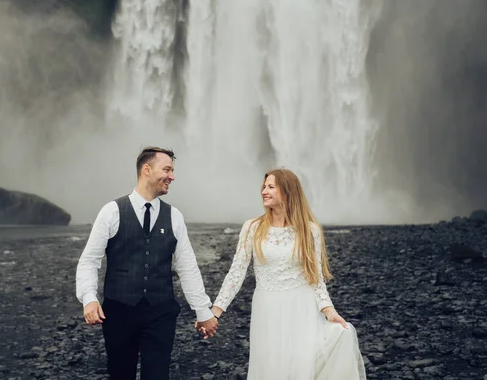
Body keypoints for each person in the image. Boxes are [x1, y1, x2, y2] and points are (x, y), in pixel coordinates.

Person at [205, 168, 366, 379]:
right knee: (270, 365)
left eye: (271, 187)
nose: (264, 191)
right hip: (267, 307)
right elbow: (236, 272)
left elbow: (315, 278)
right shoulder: (252, 227)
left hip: (302, 307)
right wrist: (214, 312)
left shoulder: (310, 230)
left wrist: (329, 311)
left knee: (303, 363)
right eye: (264, 186)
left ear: (288, 192)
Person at [75, 146, 219, 380]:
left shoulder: (174, 216)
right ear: (146, 169)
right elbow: (90, 260)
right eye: (167, 169)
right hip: (119, 312)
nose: (172, 176)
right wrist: (89, 299)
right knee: (120, 374)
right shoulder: (112, 211)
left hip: (160, 314)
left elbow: (187, 267)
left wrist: (202, 311)